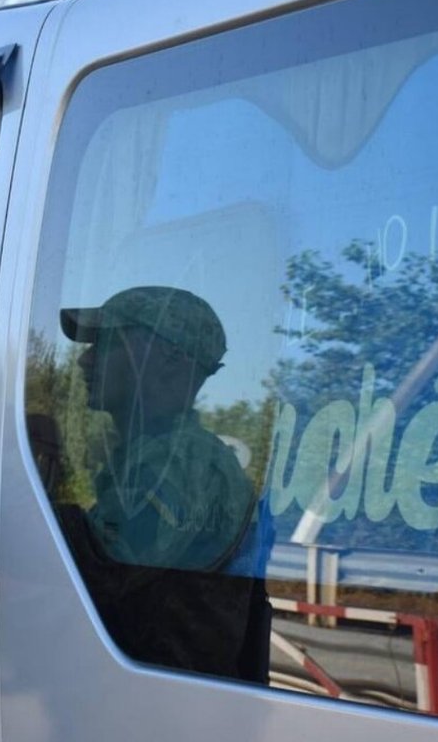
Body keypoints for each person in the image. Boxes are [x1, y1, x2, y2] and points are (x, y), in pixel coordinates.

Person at [54, 285, 272, 681]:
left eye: (105, 344)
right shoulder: (163, 457)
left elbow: (89, 580)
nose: (84, 361)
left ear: (167, 359)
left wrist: (40, 477)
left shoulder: (182, 464)